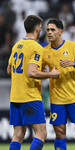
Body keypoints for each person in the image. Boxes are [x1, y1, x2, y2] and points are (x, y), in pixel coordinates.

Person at [7, 15, 60, 150]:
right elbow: (32, 72)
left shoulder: (16, 46)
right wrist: (51, 74)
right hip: (29, 95)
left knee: (18, 134)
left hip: (15, 96)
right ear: (37, 29)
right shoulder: (36, 48)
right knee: (41, 133)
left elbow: (9, 70)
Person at [42, 18, 75, 150]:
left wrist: (73, 63)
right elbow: (37, 71)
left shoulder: (73, 46)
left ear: (61, 32)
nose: (49, 32)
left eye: (53, 30)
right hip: (57, 100)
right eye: (47, 30)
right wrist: (47, 74)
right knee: (59, 134)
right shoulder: (44, 52)